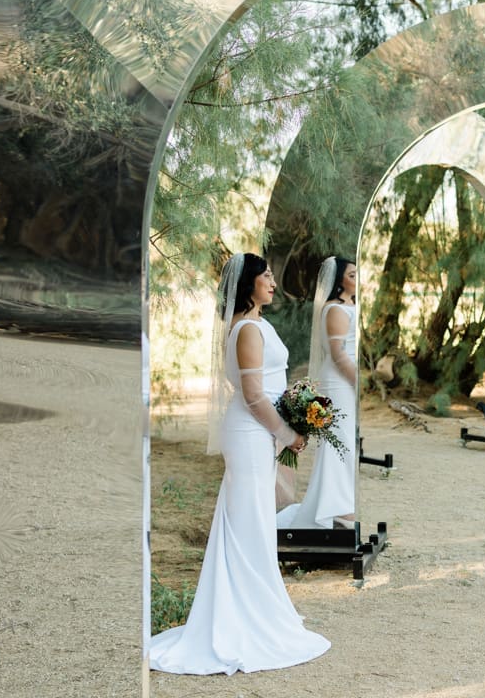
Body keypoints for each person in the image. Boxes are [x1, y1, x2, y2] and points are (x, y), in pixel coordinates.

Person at [149, 252, 330, 674]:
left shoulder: (257, 323)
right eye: (266, 275)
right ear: (248, 284)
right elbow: (251, 394)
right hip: (251, 433)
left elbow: (267, 386)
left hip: (260, 431)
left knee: (254, 519)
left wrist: (291, 413)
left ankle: (255, 610)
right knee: (249, 519)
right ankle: (246, 619)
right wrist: (287, 433)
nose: (272, 280)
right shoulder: (246, 328)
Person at [279, 256, 358, 530]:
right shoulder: (335, 310)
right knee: (339, 441)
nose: (357, 278)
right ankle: (336, 509)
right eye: (352, 274)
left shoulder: (351, 307)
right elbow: (338, 354)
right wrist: (359, 383)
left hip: (347, 381)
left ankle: (339, 505)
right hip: (339, 382)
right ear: (339, 280)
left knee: (345, 443)